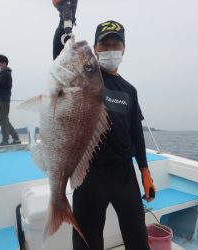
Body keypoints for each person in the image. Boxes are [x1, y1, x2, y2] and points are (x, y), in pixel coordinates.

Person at [52, 2, 156, 250]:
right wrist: (63, 18)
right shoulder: (82, 77)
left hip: (124, 175)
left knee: (137, 240)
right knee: (87, 243)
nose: (110, 49)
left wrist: (144, 170)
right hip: (89, 174)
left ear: (124, 48)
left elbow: (136, 133)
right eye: (104, 45)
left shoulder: (129, 90)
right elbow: (60, 54)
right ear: (96, 49)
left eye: (115, 45)